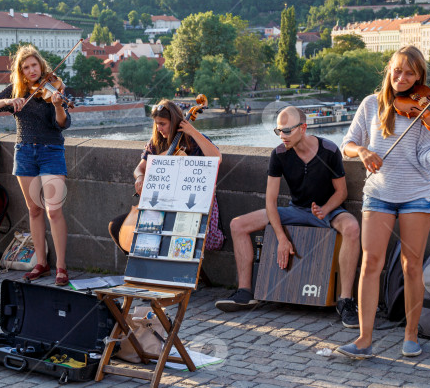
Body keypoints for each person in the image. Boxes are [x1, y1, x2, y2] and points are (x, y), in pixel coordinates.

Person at [336, 46, 430, 359]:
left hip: (416, 195)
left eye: (410, 73)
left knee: (412, 266)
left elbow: (426, 160)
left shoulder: (427, 110)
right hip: (378, 194)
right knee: (370, 264)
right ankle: (364, 339)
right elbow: (347, 145)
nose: (402, 78)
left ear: (419, 76)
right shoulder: (370, 105)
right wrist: (363, 152)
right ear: (388, 70)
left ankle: (411, 336)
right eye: (397, 71)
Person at [215, 106, 361, 329]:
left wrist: (325, 209)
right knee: (238, 225)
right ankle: (245, 292)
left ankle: (346, 301)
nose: (282, 136)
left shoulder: (329, 150)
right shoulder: (279, 154)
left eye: (287, 131)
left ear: (303, 128)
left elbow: (341, 192)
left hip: (328, 211)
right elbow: (270, 202)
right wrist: (282, 239)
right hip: (295, 209)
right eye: (279, 131)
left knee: (351, 228)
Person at [0, 44, 72, 286]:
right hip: (24, 152)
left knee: (54, 210)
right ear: (21, 72)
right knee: (34, 210)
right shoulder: (17, 90)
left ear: (40, 65)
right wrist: (9, 101)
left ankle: (61, 267)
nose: (31, 70)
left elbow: (63, 124)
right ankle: (40, 263)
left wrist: (57, 105)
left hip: (51, 151)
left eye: (34, 65)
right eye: (26, 67)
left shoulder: (53, 88)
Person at [119, 99, 222, 248]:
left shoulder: (193, 141)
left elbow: (217, 159)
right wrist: (140, 177)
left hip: (192, 205)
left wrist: (192, 131)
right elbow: (139, 168)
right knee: (118, 228)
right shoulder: (156, 143)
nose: (159, 128)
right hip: (163, 205)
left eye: (163, 124)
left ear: (174, 122)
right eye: (156, 123)